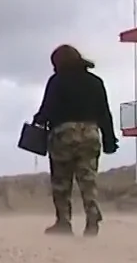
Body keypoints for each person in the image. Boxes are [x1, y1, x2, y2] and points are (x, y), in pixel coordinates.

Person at [31, 45, 118, 237]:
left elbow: (47, 110)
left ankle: (63, 222)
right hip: (90, 134)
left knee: (61, 181)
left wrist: (38, 119)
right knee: (88, 180)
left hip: (64, 134)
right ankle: (92, 214)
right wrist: (109, 140)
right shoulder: (96, 82)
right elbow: (104, 113)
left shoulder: (57, 81)